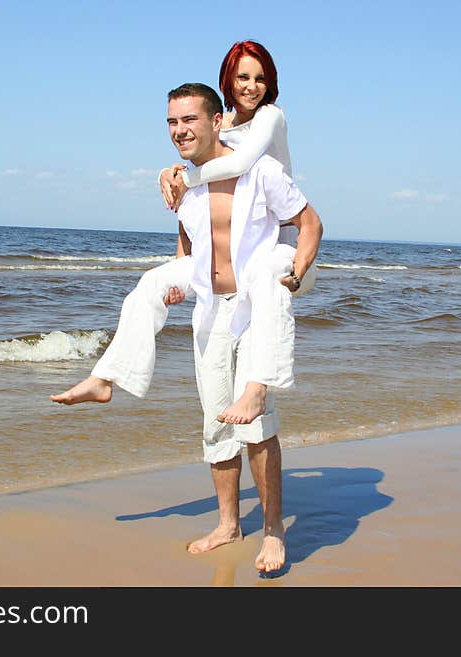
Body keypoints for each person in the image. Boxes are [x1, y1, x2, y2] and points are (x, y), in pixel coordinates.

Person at [51, 41, 315, 428]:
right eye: (243, 76)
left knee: (265, 280)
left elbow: (239, 162)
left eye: (261, 78)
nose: (251, 86)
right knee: (150, 283)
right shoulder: (218, 124)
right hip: (239, 256)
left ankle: (258, 387)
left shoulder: (270, 117)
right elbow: (195, 226)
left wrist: (179, 175)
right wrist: (180, 281)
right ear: (228, 79)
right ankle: (105, 377)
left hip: (281, 248)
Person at [165, 82, 322, 572]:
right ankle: (229, 523)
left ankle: (273, 531)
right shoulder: (183, 183)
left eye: (189, 119)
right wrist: (177, 281)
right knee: (216, 423)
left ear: (217, 121)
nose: (179, 130)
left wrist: (294, 275)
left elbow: (310, 223)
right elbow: (187, 245)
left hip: (253, 309)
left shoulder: (261, 170)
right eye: (172, 122)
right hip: (209, 313)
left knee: (255, 425)